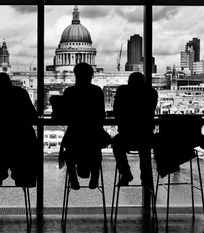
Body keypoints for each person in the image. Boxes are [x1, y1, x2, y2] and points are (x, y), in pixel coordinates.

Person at [0, 72, 38, 191]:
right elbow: (32, 115)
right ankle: (24, 179)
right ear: (9, 81)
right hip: (20, 142)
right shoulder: (21, 92)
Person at [59, 62, 110, 190]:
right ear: (91, 75)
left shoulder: (69, 91)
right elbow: (101, 115)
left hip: (74, 135)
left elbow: (65, 115)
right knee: (95, 149)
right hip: (94, 136)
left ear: (76, 75)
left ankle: (72, 177)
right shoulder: (97, 91)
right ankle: (95, 176)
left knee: (68, 152)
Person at [112, 72, 158, 187]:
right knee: (145, 149)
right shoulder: (151, 92)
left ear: (129, 82)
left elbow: (116, 110)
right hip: (146, 134)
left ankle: (126, 173)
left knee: (116, 144)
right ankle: (146, 178)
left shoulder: (122, 91)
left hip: (126, 135)